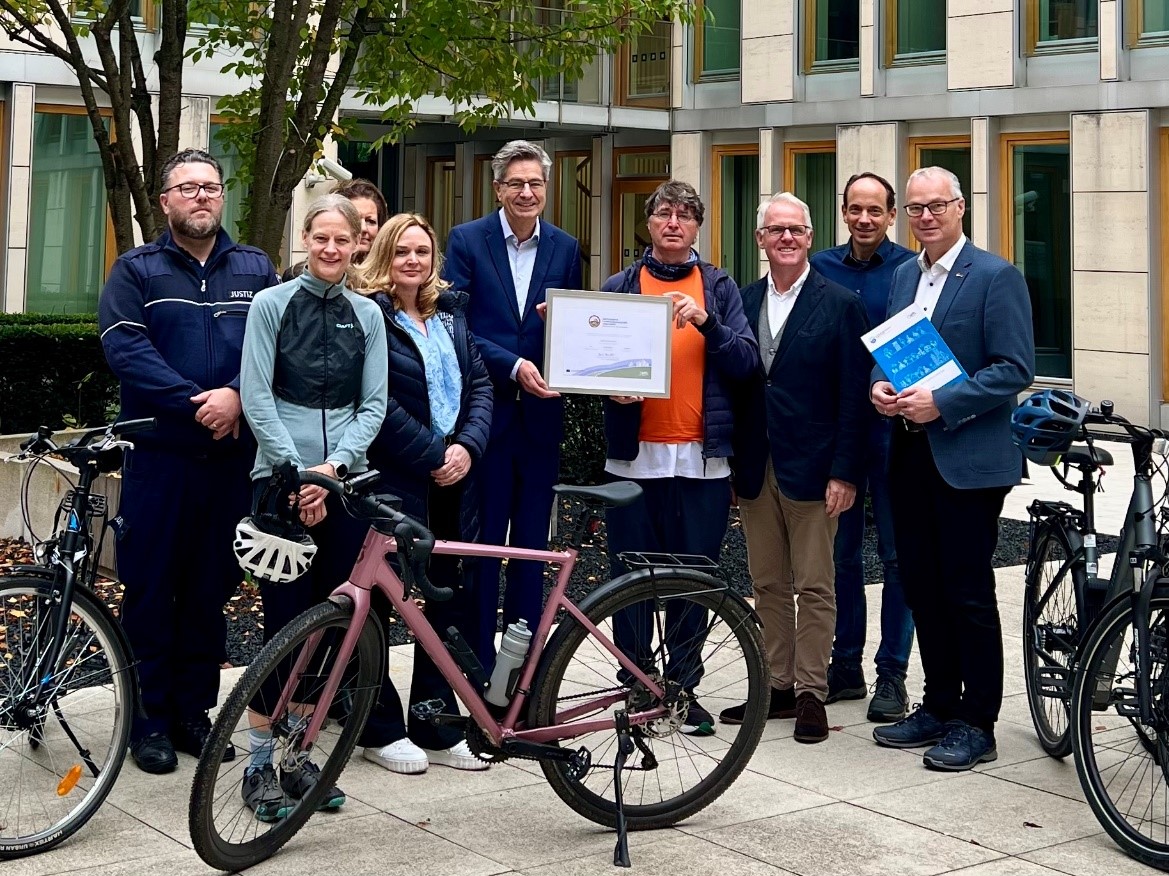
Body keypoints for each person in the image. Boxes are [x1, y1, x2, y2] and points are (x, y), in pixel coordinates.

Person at [99, 148, 279, 774]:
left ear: (222, 197)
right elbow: (125, 348)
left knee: (210, 589)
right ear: (166, 200)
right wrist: (198, 404)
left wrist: (237, 395)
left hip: (232, 461)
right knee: (150, 588)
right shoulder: (136, 270)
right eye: (188, 188)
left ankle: (191, 714)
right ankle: (146, 719)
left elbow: (272, 345)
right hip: (160, 458)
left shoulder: (256, 268)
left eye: (211, 187)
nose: (201, 197)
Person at [239, 194, 399, 819]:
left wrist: (334, 471)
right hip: (279, 483)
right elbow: (256, 395)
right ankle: (257, 764)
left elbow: (374, 405)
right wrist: (298, 472)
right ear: (304, 237)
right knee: (283, 627)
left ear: (360, 243)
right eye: (321, 238)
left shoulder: (368, 314)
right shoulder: (269, 306)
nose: (332, 249)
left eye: (345, 240)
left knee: (333, 628)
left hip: (346, 487)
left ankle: (298, 757)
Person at [870, 167, 1035, 770]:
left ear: (961, 207)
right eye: (915, 209)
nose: (926, 217)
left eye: (936, 206)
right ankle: (938, 704)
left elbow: (1014, 368)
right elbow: (888, 352)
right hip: (908, 452)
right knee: (920, 585)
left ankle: (977, 721)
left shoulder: (996, 276)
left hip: (968, 459)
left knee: (966, 591)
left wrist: (943, 401)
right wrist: (880, 389)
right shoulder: (901, 277)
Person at [600, 179, 757, 735]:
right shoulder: (620, 286)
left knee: (695, 581)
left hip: (701, 460)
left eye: (685, 215)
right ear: (648, 224)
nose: (673, 222)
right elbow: (593, 364)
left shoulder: (718, 287)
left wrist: (706, 322)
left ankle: (683, 688)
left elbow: (746, 364)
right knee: (630, 580)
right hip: (634, 459)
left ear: (698, 226)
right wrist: (609, 386)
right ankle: (635, 687)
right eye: (663, 213)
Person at [721, 192, 870, 744]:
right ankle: (776, 686)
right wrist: (734, 467)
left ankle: (812, 692)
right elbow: (735, 387)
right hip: (757, 469)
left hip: (815, 471)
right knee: (768, 583)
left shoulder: (841, 303)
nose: (786, 237)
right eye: (775, 229)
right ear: (760, 240)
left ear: (810, 238)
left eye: (797, 229)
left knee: (816, 585)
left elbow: (855, 396)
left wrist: (846, 472)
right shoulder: (743, 299)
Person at [354, 213, 493, 773]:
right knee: (380, 608)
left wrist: (466, 450)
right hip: (396, 482)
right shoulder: (369, 316)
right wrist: (434, 455)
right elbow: (376, 403)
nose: (413, 261)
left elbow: (480, 385)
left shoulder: (451, 315)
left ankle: (436, 725)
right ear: (384, 254)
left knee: (447, 604)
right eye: (402, 251)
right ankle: (379, 728)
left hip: (455, 486)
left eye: (423, 251)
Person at [443, 140, 583, 670]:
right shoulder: (467, 241)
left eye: (537, 184)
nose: (527, 192)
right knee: (482, 550)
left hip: (542, 421)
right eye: (517, 183)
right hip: (487, 419)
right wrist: (514, 366)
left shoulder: (566, 248)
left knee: (531, 551)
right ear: (498, 187)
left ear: (547, 189)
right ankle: (477, 665)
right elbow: (460, 325)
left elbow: (569, 330)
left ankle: (520, 670)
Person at [809, 172, 917, 722]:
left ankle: (892, 674)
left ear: (891, 214)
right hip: (843, 435)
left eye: (876, 210)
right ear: (843, 212)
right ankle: (845, 664)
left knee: (900, 558)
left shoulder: (912, 270)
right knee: (841, 555)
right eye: (856, 209)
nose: (865, 219)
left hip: (900, 434)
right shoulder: (820, 268)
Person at [281, 178, 388, 280]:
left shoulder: (389, 278)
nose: (363, 228)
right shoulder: (296, 276)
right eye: (356, 220)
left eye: (371, 221)